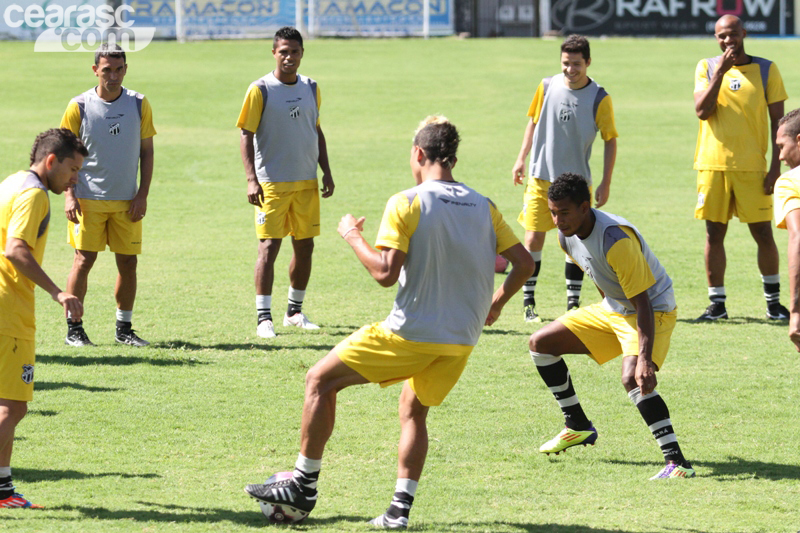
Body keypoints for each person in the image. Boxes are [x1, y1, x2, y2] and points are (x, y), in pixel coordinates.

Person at [244, 116, 534, 527]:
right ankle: (398, 513)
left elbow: (384, 273)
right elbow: (523, 263)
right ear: (451, 157)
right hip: (462, 339)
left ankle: (302, 486)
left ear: (419, 153)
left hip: (410, 333)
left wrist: (351, 235)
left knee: (319, 380)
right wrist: (498, 303)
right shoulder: (484, 205)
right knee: (413, 410)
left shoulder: (407, 201)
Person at [528, 173, 694, 480]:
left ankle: (678, 463)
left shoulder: (615, 240)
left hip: (652, 311)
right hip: (616, 308)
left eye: (564, 212)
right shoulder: (565, 236)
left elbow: (643, 303)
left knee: (633, 377)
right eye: (553, 212)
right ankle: (577, 425)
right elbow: (602, 279)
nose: (557, 219)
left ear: (584, 206)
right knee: (541, 344)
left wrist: (644, 358)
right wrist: (610, 318)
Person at [0, 129, 87, 508]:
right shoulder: (34, 194)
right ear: (51, 161)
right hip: (8, 309)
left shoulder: (11, 182)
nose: (75, 178)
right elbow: (15, 249)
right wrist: (58, 291)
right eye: (72, 169)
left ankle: (2, 490)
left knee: (6, 402)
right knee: (13, 406)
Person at [511, 34, 618, 322]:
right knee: (533, 238)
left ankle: (572, 303)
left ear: (588, 63)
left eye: (577, 64)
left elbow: (610, 139)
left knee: (574, 241)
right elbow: (532, 122)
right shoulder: (547, 86)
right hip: (540, 177)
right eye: (566, 64)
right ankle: (529, 302)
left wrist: (606, 181)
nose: (570, 70)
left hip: (576, 185)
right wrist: (521, 158)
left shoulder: (599, 98)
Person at [237, 26, 334, 339]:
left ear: (302, 53)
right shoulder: (260, 89)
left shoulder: (312, 87)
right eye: (283, 51)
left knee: (305, 246)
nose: (289, 57)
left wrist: (326, 171)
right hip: (272, 184)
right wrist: (252, 179)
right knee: (269, 246)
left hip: (306, 181)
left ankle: (294, 311)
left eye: (294, 51)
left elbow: (315, 130)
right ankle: (263, 317)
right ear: (274, 53)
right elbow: (245, 134)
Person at [60, 43, 156, 346]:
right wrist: (69, 195)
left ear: (125, 69)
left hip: (127, 200)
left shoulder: (139, 104)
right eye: (106, 70)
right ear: (95, 70)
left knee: (128, 264)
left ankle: (124, 329)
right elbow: (63, 155)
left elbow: (147, 152)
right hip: (88, 199)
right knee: (83, 260)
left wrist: (142, 194)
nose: (112, 76)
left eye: (118, 69)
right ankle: (74, 329)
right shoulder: (79, 106)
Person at [693, 15, 788, 321]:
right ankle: (717, 304)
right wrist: (720, 72)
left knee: (762, 233)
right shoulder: (706, 67)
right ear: (716, 38)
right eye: (721, 36)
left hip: (753, 167)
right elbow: (701, 111)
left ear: (744, 33)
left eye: (732, 35)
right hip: (713, 165)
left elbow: (779, 126)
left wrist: (776, 168)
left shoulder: (766, 69)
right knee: (713, 234)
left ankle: (773, 304)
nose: (727, 41)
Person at [773, 109, 800, 349]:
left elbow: (798, 238)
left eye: (782, 146)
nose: (780, 157)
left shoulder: (790, 181)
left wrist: (796, 312)